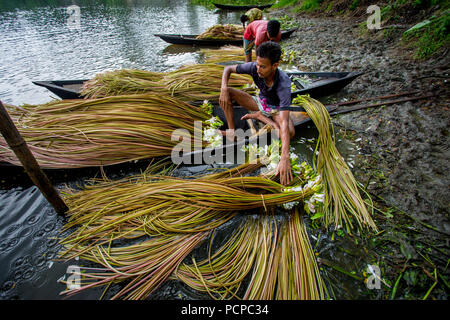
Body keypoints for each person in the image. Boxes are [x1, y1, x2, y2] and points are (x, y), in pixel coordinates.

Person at [219, 41, 295, 186]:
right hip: (259, 102)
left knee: (289, 132)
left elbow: (284, 121)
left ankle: (262, 117)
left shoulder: (283, 84)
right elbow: (228, 69)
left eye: (263, 66)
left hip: (275, 109)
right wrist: (223, 88)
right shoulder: (254, 67)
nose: (258, 69)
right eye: (257, 64)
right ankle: (231, 132)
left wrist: (284, 157)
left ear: (275, 66)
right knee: (227, 92)